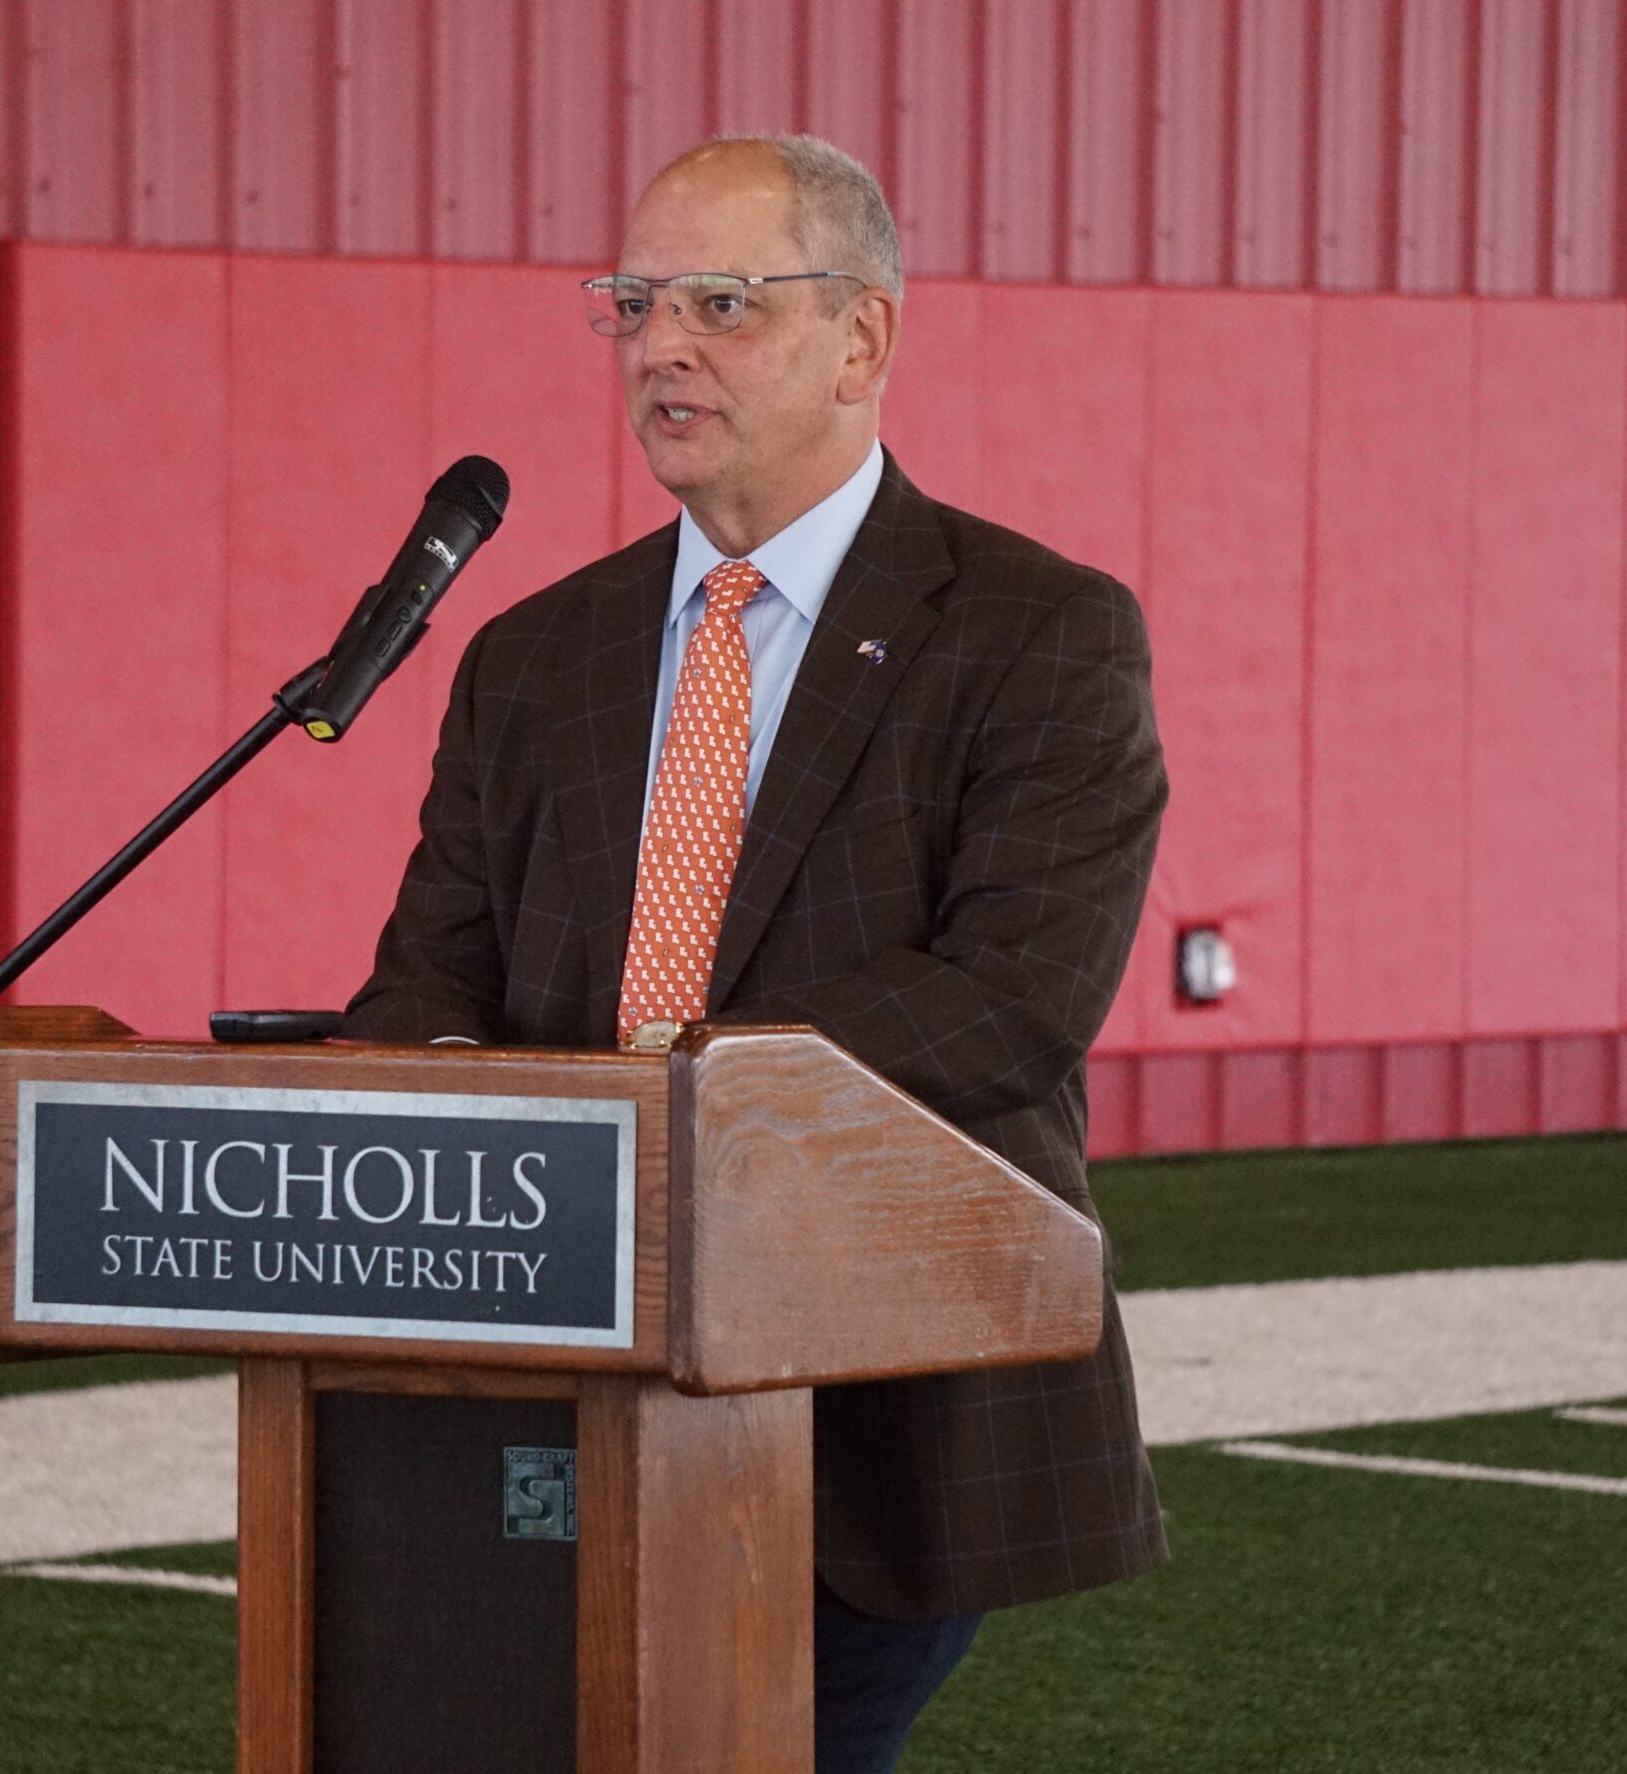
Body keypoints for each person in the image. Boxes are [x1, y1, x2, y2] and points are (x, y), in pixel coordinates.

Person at [343, 133, 1168, 1774]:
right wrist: (425, 1096)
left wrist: (665, 1100)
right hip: (548, 1391)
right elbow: (433, 970)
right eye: (635, 303)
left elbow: (1006, 1003)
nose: (660, 346)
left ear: (863, 339)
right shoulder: (534, 654)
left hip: (870, 1412)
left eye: (720, 302)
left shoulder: (1035, 631)